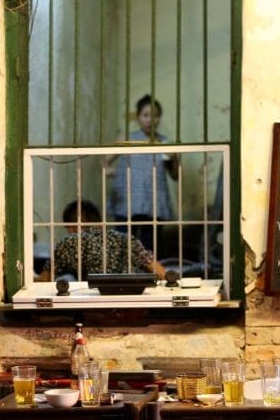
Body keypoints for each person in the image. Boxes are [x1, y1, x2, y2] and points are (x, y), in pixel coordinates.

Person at [104, 94, 180, 256]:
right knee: (122, 247)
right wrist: (109, 170)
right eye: (145, 115)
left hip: (153, 202)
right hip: (127, 200)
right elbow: (105, 160)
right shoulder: (127, 139)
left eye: (155, 116)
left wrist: (175, 159)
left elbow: (175, 176)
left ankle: (149, 278)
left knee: (150, 250)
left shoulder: (165, 143)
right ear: (138, 117)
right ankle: (123, 278)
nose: (150, 120)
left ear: (160, 118)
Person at [37, 199, 166, 281]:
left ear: (71, 227)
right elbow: (160, 273)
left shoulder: (69, 242)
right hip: (129, 303)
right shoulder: (126, 239)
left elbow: (44, 280)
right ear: (98, 221)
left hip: (93, 304)